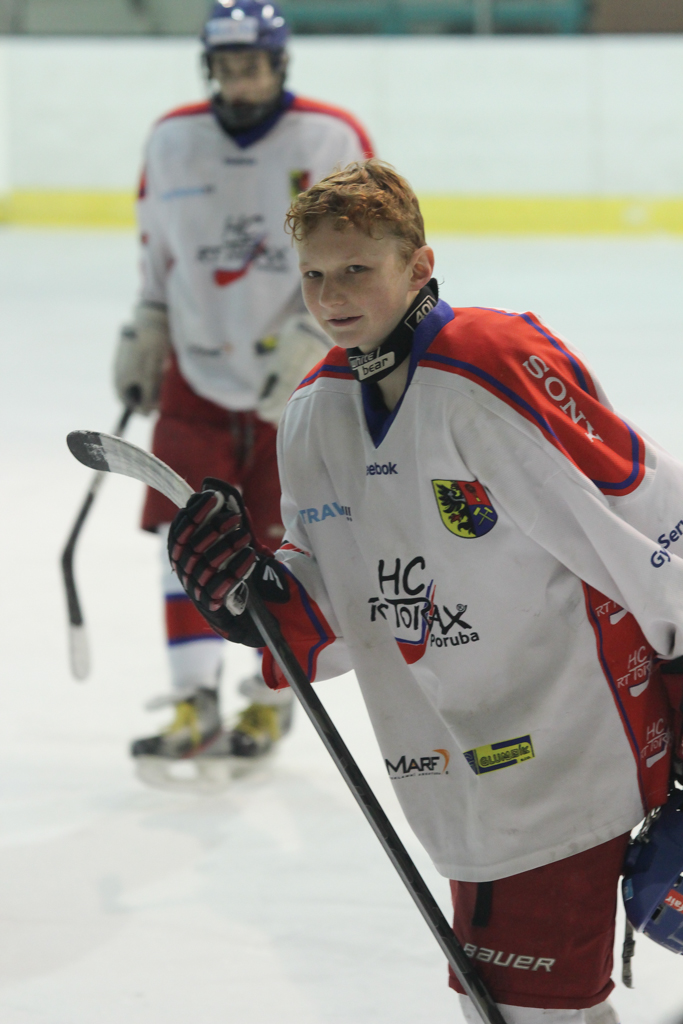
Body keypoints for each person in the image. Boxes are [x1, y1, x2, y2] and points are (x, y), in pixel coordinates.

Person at [165, 159, 683, 1021]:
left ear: (418, 265)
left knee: (531, 1010)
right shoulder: (314, 410)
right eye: (314, 276)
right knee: (521, 1008)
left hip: (571, 751)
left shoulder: (492, 364)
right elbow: (336, 599)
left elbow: (649, 530)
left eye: (355, 268)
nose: (331, 295)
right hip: (457, 765)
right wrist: (250, 598)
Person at [113, 0, 372, 767]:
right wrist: (149, 319)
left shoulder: (330, 136)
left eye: (253, 65)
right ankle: (192, 700)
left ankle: (267, 699)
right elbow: (155, 243)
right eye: (226, 67)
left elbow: (370, 246)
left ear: (279, 63)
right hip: (194, 369)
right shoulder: (172, 138)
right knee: (183, 535)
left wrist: (319, 334)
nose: (240, 80)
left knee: (282, 544)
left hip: (300, 378)